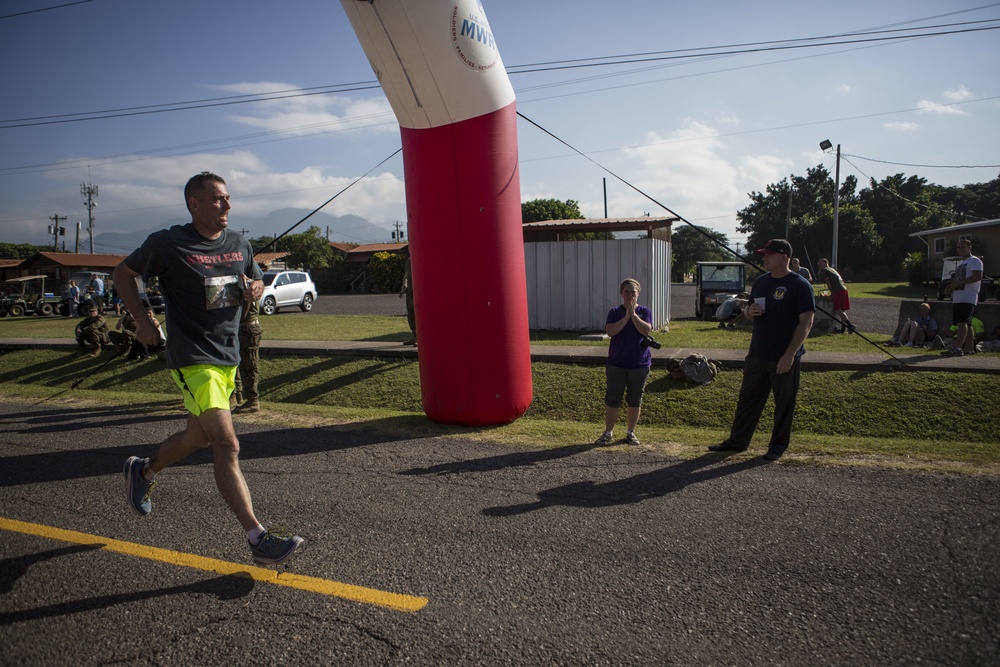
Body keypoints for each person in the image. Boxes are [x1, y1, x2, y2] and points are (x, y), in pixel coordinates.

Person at [113, 171, 304, 566]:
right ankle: (257, 538)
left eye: (228, 198)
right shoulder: (168, 243)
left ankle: (144, 471)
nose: (227, 206)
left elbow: (255, 278)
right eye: (218, 199)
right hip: (193, 357)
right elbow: (122, 274)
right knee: (227, 444)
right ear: (194, 204)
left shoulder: (238, 242)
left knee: (196, 438)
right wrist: (143, 321)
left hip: (228, 356)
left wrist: (256, 287)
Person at [709, 239, 815, 461]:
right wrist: (749, 311)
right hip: (757, 353)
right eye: (763, 254)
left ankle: (777, 447)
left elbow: (806, 323)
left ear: (784, 257)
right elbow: (749, 310)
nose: (764, 258)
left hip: (784, 356)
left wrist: (790, 354)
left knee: (783, 405)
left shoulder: (800, 285)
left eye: (769, 254)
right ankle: (737, 442)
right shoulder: (761, 282)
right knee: (748, 401)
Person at [595, 278, 654, 446]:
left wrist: (633, 315)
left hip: (639, 363)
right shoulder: (614, 311)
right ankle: (608, 432)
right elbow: (611, 331)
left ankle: (630, 432)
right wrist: (625, 318)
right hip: (617, 363)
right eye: (626, 292)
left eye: (633, 292)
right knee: (613, 398)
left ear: (638, 293)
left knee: (635, 398)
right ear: (621, 293)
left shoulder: (645, 311)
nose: (629, 295)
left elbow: (646, 330)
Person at [942, 239, 984, 357]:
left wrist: (958, 283)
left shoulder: (974, 261)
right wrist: (951, 288)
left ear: (969, 248)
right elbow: (959, 281)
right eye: (958, 247)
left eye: (963, 247)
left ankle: (957, 348)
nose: (960, 249)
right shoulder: (961, 263)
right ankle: (969, 348)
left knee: (961, 323)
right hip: (959, 297)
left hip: (967, 297)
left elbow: (977, 276)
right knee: (967, 324)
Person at [232, 296, 262, 412]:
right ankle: (236, 394)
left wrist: (239, 318)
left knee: (249, 365)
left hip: (247, 326)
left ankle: (252, 400)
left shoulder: (249, 281)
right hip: (243, 326)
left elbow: (247, 300)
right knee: (235, 363)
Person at [816, 258, 854, 333]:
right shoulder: (832, 270)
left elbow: (828, 282)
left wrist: (832, 293)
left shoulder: (824, 271)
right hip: (844, 289)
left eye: (821, 264)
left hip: (837, 290)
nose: (820, 266)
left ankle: (850, 325)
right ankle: (843, 330)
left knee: (837, 309)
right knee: (842, 310)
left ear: (826, 263)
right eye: (819, 264)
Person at [399, 248, 416, 346]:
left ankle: (420, 338)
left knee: (418, 314)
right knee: (411, 314)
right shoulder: (409, 260)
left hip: (418, 291)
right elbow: (406, 275)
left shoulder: (420, 258)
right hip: (410, 291)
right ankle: (414, 336)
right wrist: (403, 287)